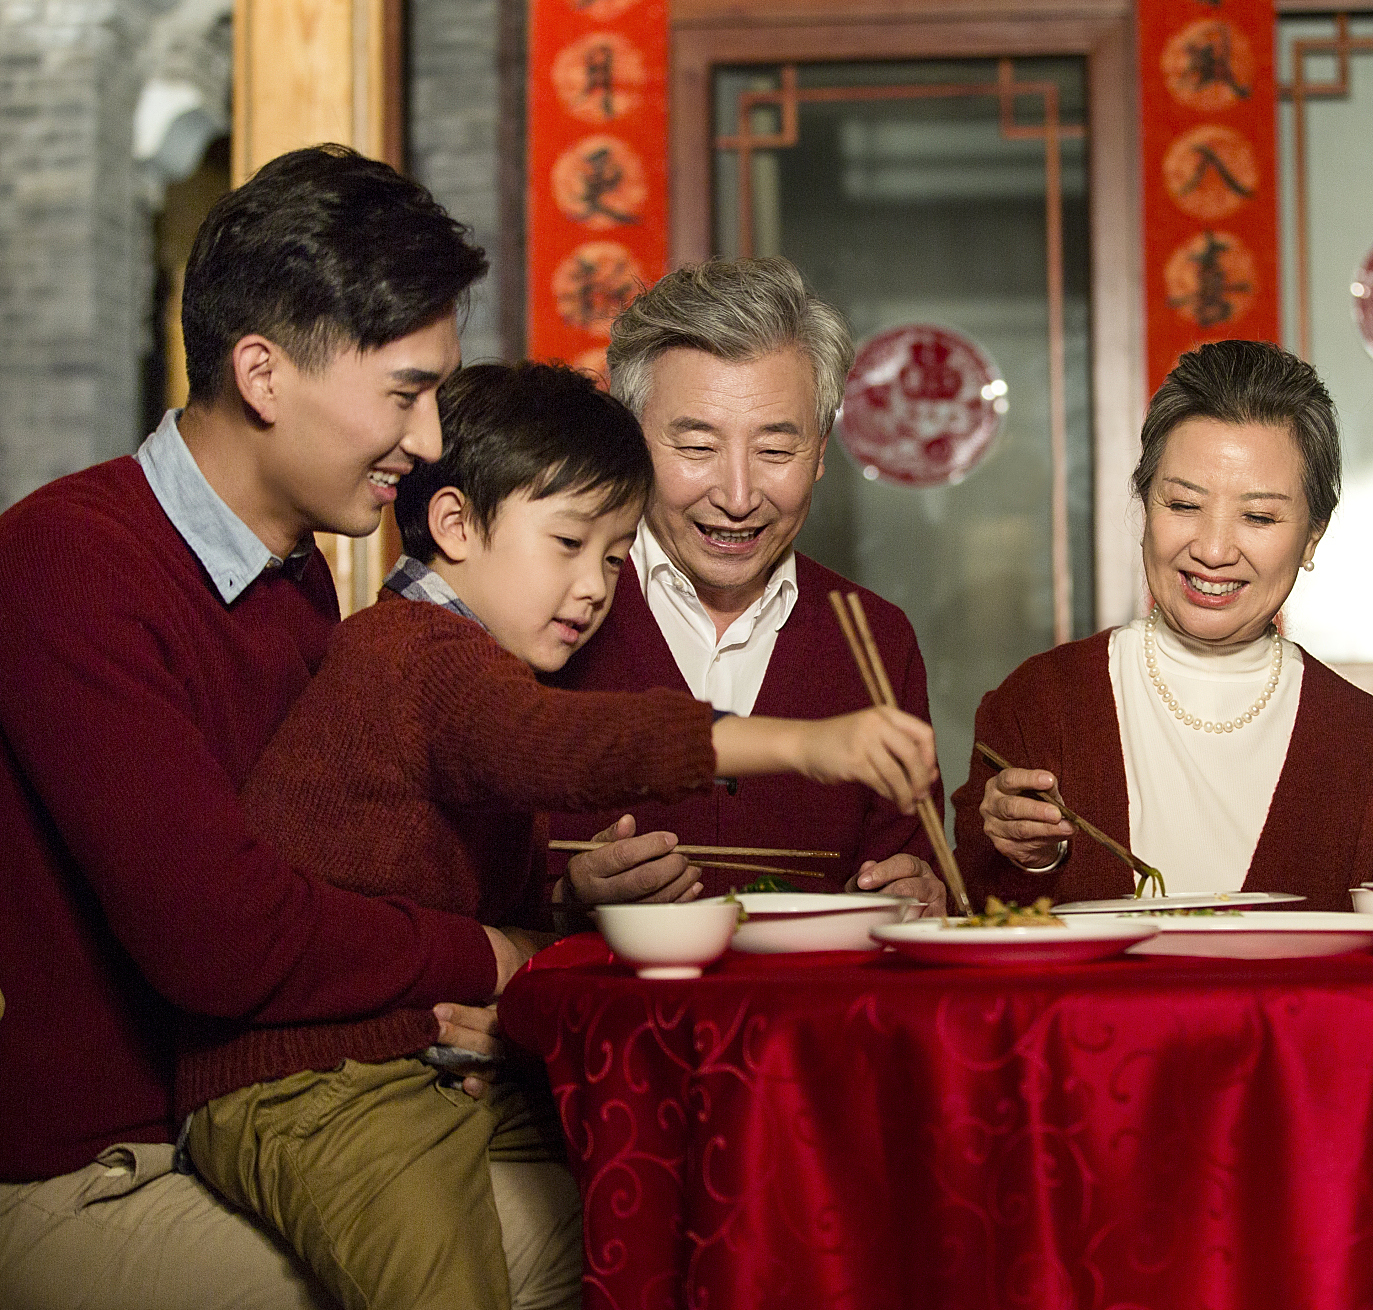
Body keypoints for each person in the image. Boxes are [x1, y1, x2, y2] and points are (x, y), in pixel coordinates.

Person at [178, 361, 937, 1310]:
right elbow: (566, 743)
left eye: (615, 559)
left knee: (670, 1160)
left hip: (413, 1063)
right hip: (310, 1083)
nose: (592, 589)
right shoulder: (415, 653)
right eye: (569, 543)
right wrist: (805, 742)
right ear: (454, 524)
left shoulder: (468, 662)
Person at [0, 145, 568, 1308]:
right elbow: (222, 937)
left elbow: (352, 864)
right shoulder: (67, 564)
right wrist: (484, 958)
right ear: (263, 374)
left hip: (284, 1116)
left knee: (657, 1173)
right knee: (602, 1232)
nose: (423, 445)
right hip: (100, 1171)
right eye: (404, 394)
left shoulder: (296, 577)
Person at [956, 340, 1373, 911]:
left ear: (1312, 537)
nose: (1213, 549)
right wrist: (1025, 859)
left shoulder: (1369, 744)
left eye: (1258, 516)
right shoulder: (1041, 703)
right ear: (1144, 504)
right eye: (1182, 505)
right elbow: (967, 924)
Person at [550, 257, 947, 915]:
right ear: (631, 440)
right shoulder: (555, 614)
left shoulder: (876, 638)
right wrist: (563, 898)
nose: (737, 497)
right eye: (697, 447)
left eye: (774, 450)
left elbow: (914, 869)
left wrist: (920, 895)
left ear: (821, 450)